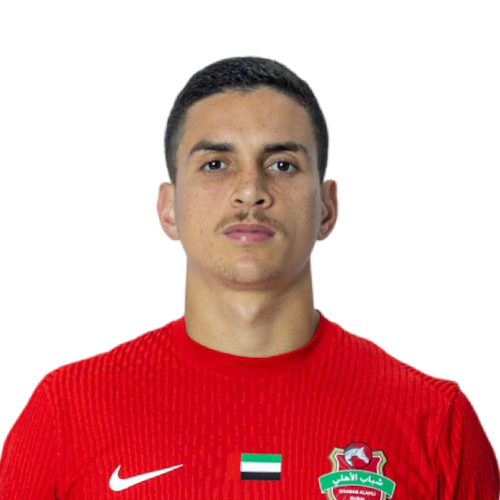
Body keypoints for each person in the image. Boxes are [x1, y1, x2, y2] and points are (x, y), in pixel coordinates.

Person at [0, 55, 498, 499]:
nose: (250, 191)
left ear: (328, 208)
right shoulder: (66, 411)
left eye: (282, 164)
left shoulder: (436, 420)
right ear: (168, 209)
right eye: (216, 164)